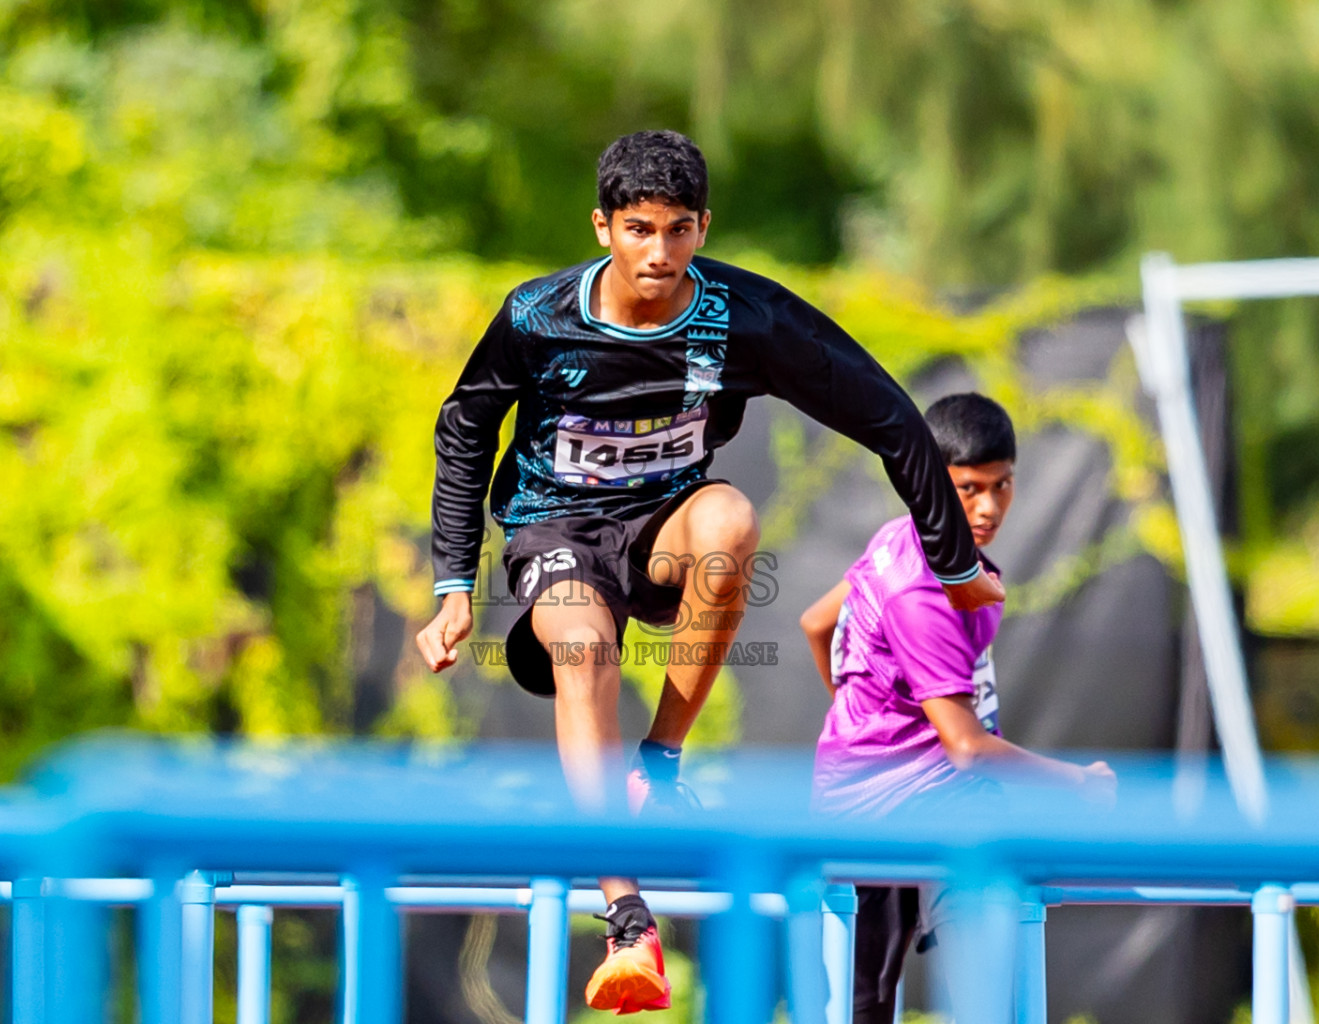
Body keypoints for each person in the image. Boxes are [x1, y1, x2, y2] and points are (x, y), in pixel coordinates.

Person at [416, 130, 1004, 1015]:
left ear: (704, 227)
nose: (660, 254)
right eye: (640, 229)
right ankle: (624, 914)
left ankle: (662, 759)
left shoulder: (742, 317)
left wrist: (954, 560)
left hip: (666, 529)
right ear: (604, 226)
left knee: (730, 517)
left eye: (680, 230)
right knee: (583, 648)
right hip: (557, 530)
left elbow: (888, 415)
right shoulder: (536, 319)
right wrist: (453, 584)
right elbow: (464, 430)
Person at [800, 392, 1117, 1023]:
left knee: (908, 993)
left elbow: (815, 622)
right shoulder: (924, 590)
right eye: (969, 488)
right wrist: (1079, 782)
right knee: (901, 1000)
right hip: (902, 807)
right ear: (927, 483)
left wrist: (866, 717)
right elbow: (968, 748)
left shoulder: (899, 536)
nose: (989, 507)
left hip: (872, 791)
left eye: (1002, 486)